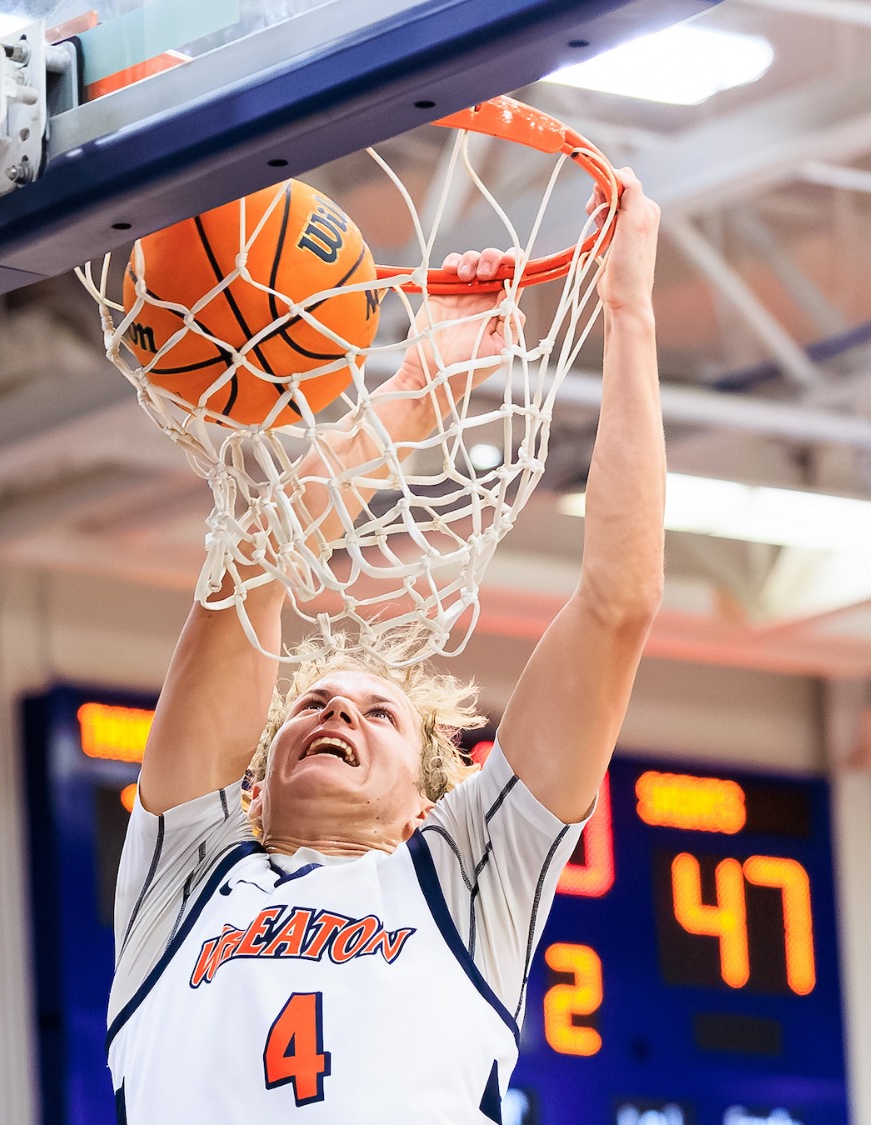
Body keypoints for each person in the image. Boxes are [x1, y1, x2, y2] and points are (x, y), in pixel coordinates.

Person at [105, 167, 665, 1122]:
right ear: (250, 785)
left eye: (377, 716)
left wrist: (628, 310)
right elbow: (254, 571)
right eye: (317, 704)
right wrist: (416, 391)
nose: (335, 713)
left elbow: (618, 603)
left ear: (426, 804)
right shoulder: (188, 873)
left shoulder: (459, 876)